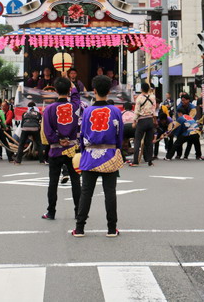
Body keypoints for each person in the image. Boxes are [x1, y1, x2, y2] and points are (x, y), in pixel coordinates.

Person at [73, 75, 123, 238]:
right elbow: (119, 135)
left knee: (86, 192)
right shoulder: (115, 111)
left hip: (90, 154)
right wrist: (118, 150)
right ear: (109, 91)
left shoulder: (87, 111)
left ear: (94, 91)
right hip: (108, 154)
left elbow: (82, 134)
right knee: (110, 192)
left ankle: (80, 228)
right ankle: (111, 228)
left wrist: (82, 150)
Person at [42, 77, 82, 220]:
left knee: (53, 182)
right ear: (68, 90)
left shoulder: (49, 109)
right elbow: (77, 97)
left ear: (55, 90)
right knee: (76, 181)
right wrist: (73, 87)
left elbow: (47, 131)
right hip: (72, 149)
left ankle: (51, 211)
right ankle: (78, 211)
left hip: (56, 149)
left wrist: (58, 139)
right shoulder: (75, 106)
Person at [131, 82, 156, 167]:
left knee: (137, 140)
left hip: (141, 120)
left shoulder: (139, 98)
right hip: (150, 120)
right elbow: (154, 109)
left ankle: (135, 161)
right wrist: (154, 120)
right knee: (149, 142)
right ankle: (149, 161)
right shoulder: (153, 97)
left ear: (141, 89)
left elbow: (136, 111)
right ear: (148, 89)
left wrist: (134, 121)